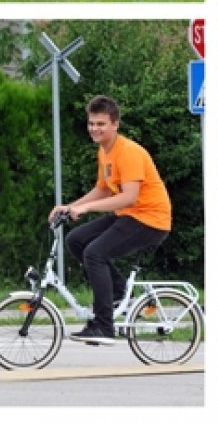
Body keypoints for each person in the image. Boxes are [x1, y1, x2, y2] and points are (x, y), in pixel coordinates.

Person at [48, 95, 171, 344]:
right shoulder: (105, 152)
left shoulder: (128, 152)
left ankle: (104, 326)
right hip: (128, 216)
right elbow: (103, 189)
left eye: (101, 124)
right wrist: (70, 207)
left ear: (115, 124)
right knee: (76, 240)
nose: (95, 128)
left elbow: (129, 197)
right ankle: (119, 293)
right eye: (92, 123)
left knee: (95, 253)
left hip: (150, 219)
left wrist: (86, 209)